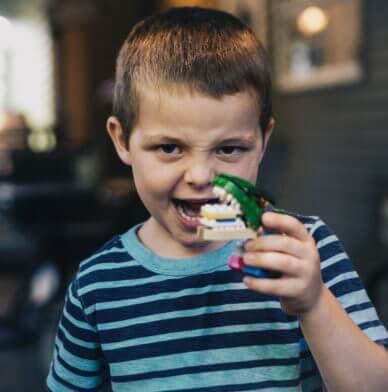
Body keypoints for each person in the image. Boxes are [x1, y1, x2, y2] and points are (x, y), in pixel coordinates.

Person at [46, 7, 388, 391]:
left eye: (229, 149)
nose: (200, 176)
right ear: (122, 140)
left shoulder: (306, 251)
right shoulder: (97, 284)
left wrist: (314, 304)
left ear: (262, 141)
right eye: (169, 147)